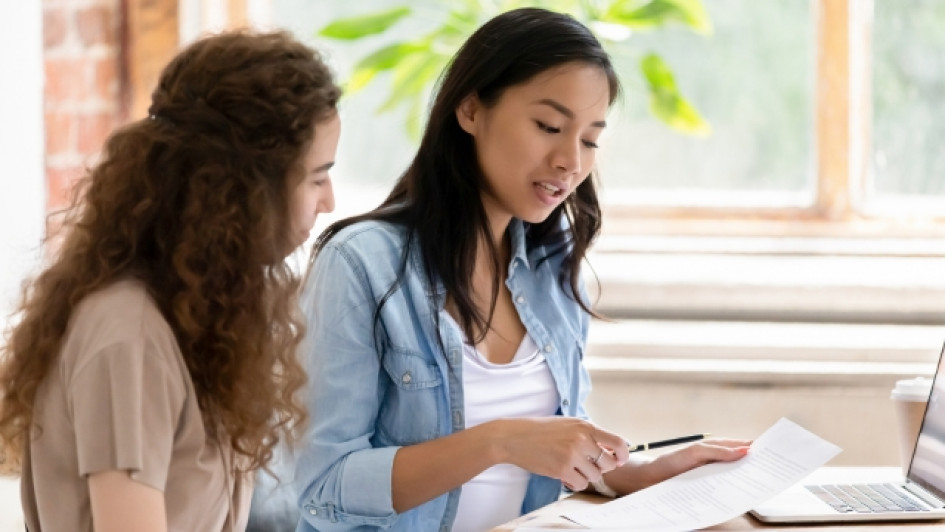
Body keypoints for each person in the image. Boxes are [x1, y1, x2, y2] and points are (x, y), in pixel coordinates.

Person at [294, 7, 750, 532]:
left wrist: (641, 473)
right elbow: (323, 488)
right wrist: (499, 442)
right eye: (548, 126)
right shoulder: (361, 264)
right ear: (470, 110)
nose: (570, 162)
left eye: (589, 139)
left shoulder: (553, 265)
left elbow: (549, 451)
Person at [0, 30, 341, 531]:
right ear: (245, 188)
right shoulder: (130, 337)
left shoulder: (197, 318)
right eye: (316, 178)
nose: (329, 201)